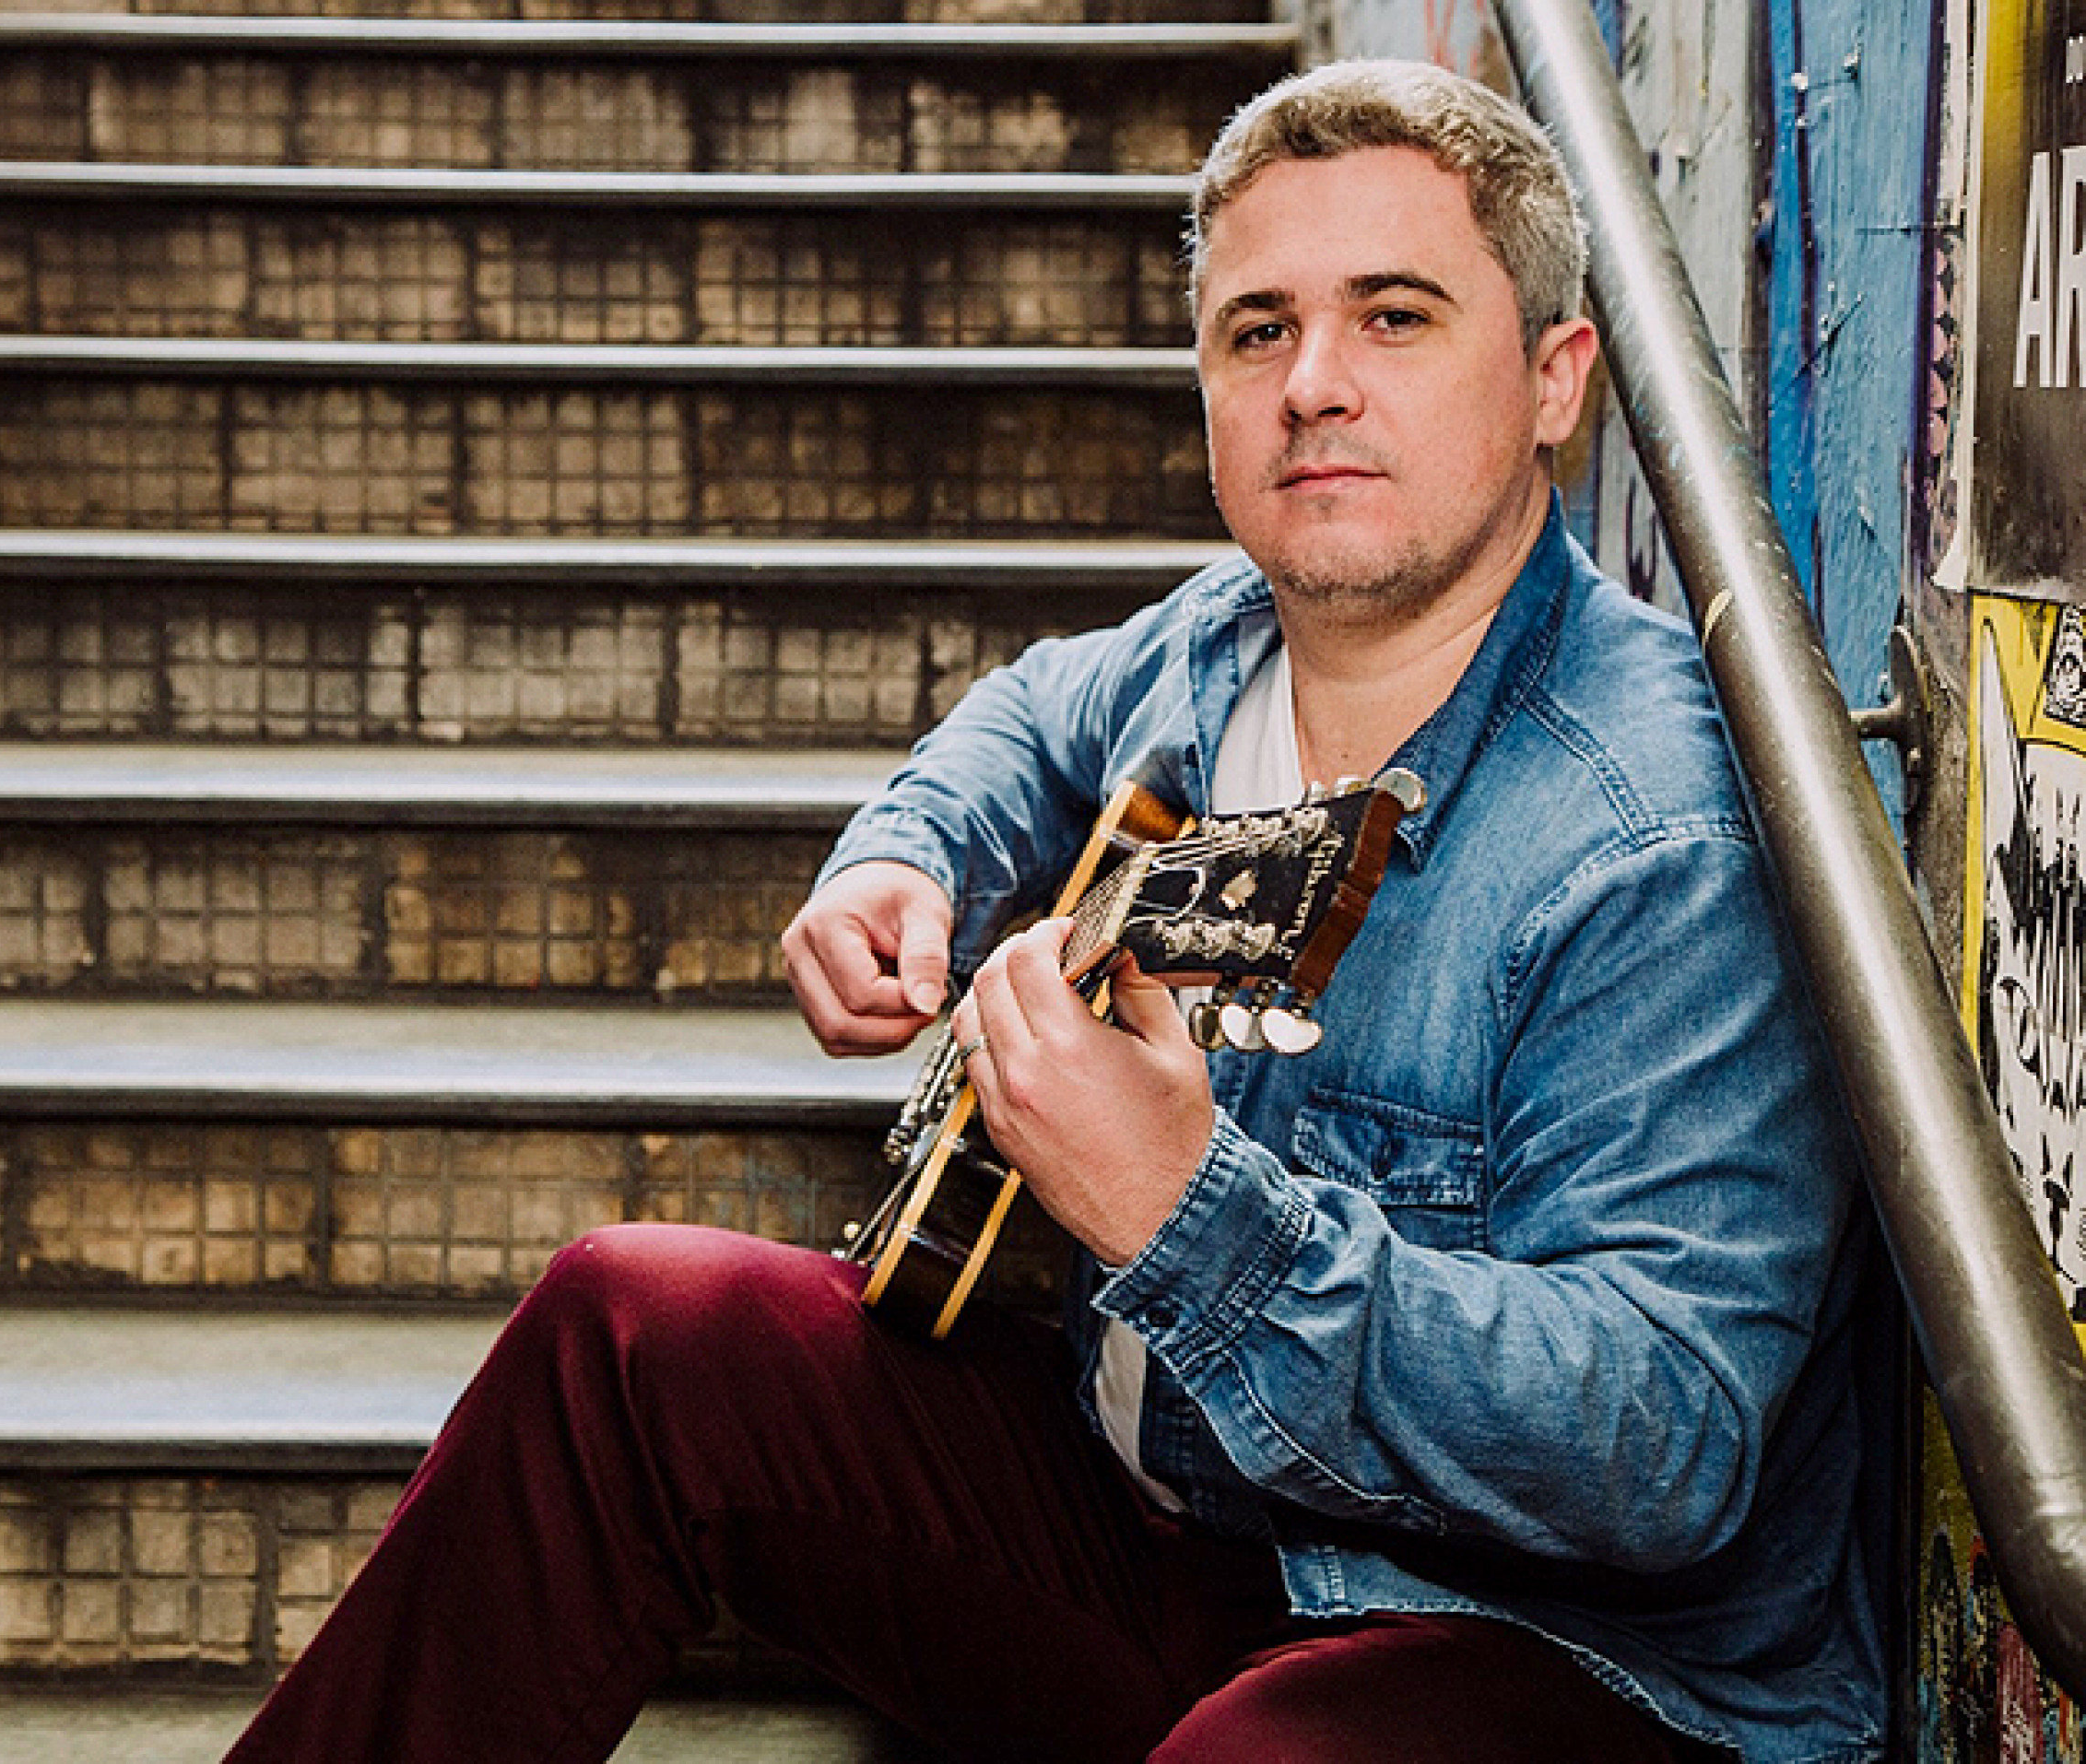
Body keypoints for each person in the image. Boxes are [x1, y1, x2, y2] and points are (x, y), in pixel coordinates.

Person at [225, 60, 1883, 1764]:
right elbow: (1026, 714)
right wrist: (906, 857)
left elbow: (1664, 1443)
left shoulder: (1655, 832)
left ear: (1553, 377)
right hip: (1177, 1534)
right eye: (1256, 330)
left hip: (1549, 1653)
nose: (1312, 383)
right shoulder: (1215, 643)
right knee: (631, 1323)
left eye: (1392, 316)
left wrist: (1181, 1209)